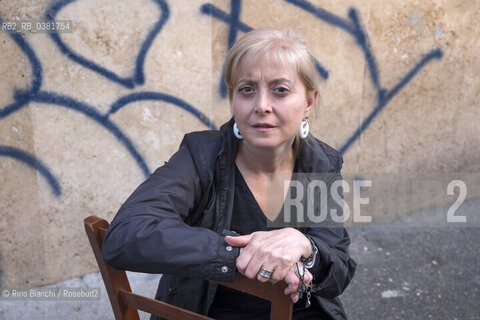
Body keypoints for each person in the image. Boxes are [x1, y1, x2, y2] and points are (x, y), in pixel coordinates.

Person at [102, 28, 356, 320]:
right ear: (233, 99)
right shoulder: (201, 156)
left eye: (280, 90)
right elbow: (125, 235)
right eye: (247, 89)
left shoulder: (320, 164)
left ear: (308, 102)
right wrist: (238, 255)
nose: (262, 106)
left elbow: (338, 272)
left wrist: (307, 249)